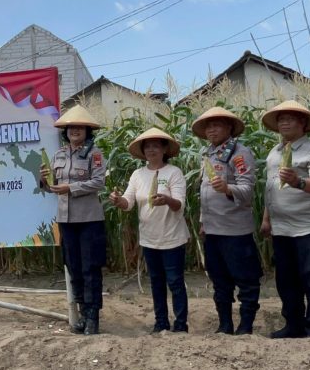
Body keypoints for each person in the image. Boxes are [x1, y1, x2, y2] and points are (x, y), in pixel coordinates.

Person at [260, 100, 310, 339]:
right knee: (286, 280)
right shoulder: (275, 153)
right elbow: (270, 187)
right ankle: (293, 325)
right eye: (281, 119)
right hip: (280, 227)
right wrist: (266, 219)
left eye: (290, 118)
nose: (285, 122)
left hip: (307, 227)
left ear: (303, 123)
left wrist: (297, 181)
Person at [109, 128, 190, 333]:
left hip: (172, 238)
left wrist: (167, 200)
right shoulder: (138, 175)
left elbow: (179, 204)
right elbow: (128, 203)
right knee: (156, 283)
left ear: (164, 149)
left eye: (156, 145)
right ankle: (160, 322)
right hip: (149, 239)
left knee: (175, 282)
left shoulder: (174, 173)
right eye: (147, 146)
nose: (151, 149)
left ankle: (181, 325)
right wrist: (118, 201)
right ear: (143, 151)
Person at [192, 106, 262, 335]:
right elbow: (205, 193)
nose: (212, 130)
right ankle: (225, 325)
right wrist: (203, 222)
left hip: (235, 231)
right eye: (208, 126)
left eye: (217, 125)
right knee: (220, 281)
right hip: (213, 231)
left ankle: (245, 326)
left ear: (229, 128)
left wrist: (228, 188)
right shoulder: (209, 155)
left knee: (246, 280)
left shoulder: (239, 153)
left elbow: (248, 189)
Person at [40, 106, 107, 335]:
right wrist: (43, 181)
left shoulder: (95, 154)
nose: (75, 130)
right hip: (66, 220)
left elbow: (98, 182)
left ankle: (93, 317)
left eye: (80, 127)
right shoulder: (58, 155)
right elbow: (52, 187)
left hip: (89, 220)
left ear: (87, 131)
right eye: (71, 127)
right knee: (73, 266)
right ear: (65, 131)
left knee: (90, 267)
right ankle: (81, 313)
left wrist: (72, 187)